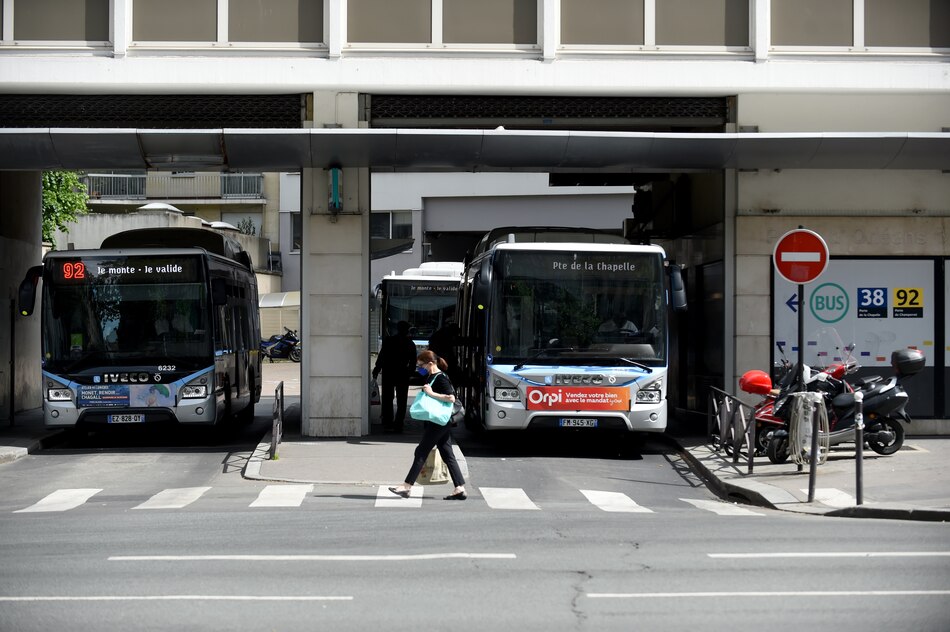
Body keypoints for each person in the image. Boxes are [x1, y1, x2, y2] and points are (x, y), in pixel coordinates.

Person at [389, 350, 467, 501]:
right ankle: (459, 488)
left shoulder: (441, 378)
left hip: (439, 421)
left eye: (421, 365)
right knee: (447, 454)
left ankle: (406, 487)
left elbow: (451, 398)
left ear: (430, 363)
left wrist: (431, 393)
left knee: (421, 451)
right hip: (438, 421)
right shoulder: (432, 376)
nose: (419, 368)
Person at [372, 320, 417, 433]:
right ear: (407, 330)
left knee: (387, 397)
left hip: (389, 372)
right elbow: (413, 362)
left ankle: (387, 421)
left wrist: (376, 370)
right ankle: (399, 423)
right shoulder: (410, 343)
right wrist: (410, 373)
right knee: (402, 400)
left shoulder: (389, 341)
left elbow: (382, 357)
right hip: (403, 373)